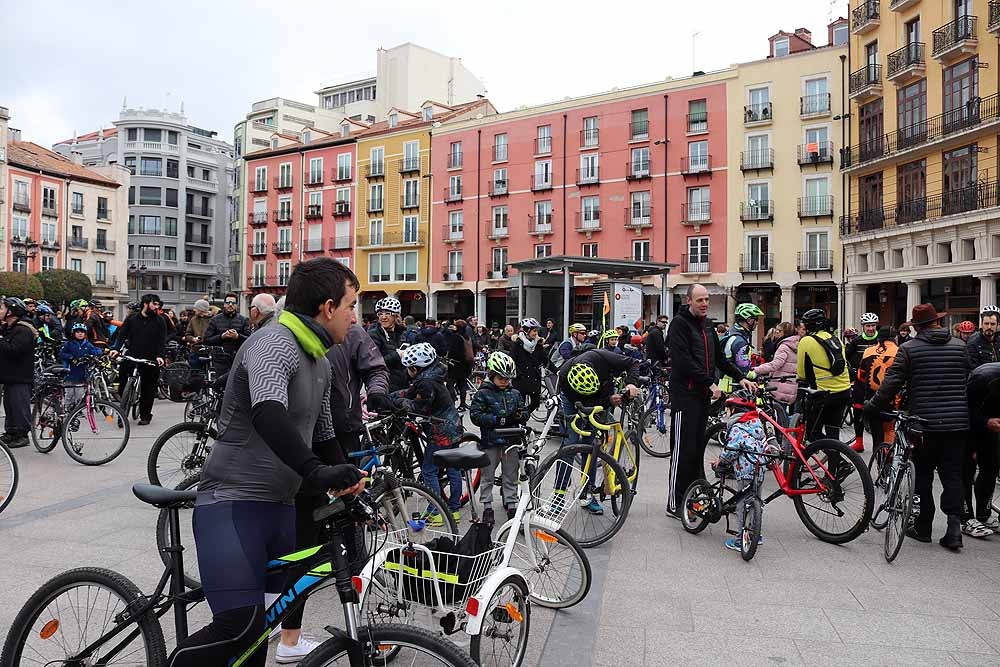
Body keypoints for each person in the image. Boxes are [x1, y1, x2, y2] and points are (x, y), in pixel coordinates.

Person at [170, 258, 366, 667]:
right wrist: (314, 470)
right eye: (351, 305)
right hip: (232, 502)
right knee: (238, 626)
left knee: (259, 637)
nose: (354, 316)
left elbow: (325, 433)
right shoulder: (272, 342)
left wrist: (346, 480)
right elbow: (268, 412)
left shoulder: (321, 360)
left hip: (278, 508)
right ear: (328, 308)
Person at [865, 303, 969, 550]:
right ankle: (955, 528)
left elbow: (891, 383)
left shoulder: (909, 349)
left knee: (923, 473)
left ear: (917, 326)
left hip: (924, 424)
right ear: (937, 322)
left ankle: (923, 526)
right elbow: (970, 379)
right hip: (957, 423)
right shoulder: (960, 346)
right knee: (953, 475)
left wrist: (871, 405)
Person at [665, 286, 751, 518]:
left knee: (695, 451)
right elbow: (683, 362)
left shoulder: (708, 325)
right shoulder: (679, 325)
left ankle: (691, 499)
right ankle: (674, 503)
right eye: (700, 300)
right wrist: (708, 383)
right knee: (682, 451)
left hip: (702, 396)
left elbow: (720, 359)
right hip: (685, 396)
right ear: (689, 300)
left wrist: (740, 377)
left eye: (707, 299)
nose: (704, 303)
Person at [558, 347, 641, 514]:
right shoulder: (565, 377)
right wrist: (605, 400)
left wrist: (631, 383)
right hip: (575, 399)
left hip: (601, 394)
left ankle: (587, 493)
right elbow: (584, 403)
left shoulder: (602, 357)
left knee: (592, 445)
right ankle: (558, 496)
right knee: (571, 444)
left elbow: (633, 363)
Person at [390, 342, 463, 526]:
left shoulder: (426, 382)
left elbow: (420, 406)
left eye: (408, 368)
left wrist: (402, 404)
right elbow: (410, 392)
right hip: (453, 425)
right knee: (453, 468)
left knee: (429, 471)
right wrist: (390, 396)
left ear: (415, 368)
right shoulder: (433, 374)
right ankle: (454, 510)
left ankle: (435, 512)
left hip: (440, 432)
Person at [470, 351, 526, 524]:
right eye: (501, 378)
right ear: (492, 375)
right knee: (487, 474)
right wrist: (496, 420)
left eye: (508, 379)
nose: (505, 382)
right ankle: (487, 505)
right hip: (491, 441)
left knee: (511, 474)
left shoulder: (514, 393)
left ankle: (511, 503)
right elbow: (475, 415)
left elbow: (524, 411)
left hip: (511, 441)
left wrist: (520, 416)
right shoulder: (483, 394)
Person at [327, 322, 390, 453]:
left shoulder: (352, 331)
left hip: (346, 426)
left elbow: (375, 368)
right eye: (349, 307)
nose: (354, 317)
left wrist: (377, 390)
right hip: (305, 429)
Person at [795, 308, 853, 445]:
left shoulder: (806, 341)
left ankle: (839, 460)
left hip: (824, 394)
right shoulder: (835, 339)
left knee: (813, 433)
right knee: (833, 433)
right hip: (844, 391)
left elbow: (802, 373)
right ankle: (836, 465)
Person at [110, 293, 166, 426]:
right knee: (122, 380)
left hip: (150, 358)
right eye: (154, 304)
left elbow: (161, 340)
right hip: (133, 354)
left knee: (149, 387)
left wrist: (160, 356)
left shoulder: (160, 321)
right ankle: (122, 413)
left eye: (158, 304)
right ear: (146, 304)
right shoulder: (132, 318)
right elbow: (122, 335)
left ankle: (145, 415)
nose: (156, 307)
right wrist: (116, 349)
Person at [968, 362, 1000, 533]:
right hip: (970, 426)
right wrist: (985, 422)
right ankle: (967, 518)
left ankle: (983, 513)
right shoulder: (984, 377)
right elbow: (963, 408)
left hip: (993, 425)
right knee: (966, 470)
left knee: (991, 466)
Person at [0, 297, 36, 449]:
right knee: (10, 405)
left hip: (20, 376)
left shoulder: (24, 329)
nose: (0, 311)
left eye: (2, 308)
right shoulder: (11, 328)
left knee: (19, 405)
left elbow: (14, 350)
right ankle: (11, 432)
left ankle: (21, 435)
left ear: (11, 312)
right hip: (10, 376)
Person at [856, 327, 899, 446]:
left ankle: (879, 460)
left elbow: (861, 376)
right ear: (894, 338)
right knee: (890, 430)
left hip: (872, 399)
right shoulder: (899, 351)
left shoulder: (868, 351)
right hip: (892, 399)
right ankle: (889, 459)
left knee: (877, 435)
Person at [845, 313, 881, 452]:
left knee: (878, 414)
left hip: (877, 382)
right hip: (860, 382)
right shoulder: (856, 341)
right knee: (858, 412)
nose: (871, 328)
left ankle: (879, 444)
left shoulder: (881, 340)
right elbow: (846, 357)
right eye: (868, 326)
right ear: (863, 327)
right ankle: (859, 442)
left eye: (873, 325)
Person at [719, 303, 763, 394]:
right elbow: (745, 371)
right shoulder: (740, 342)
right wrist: (761, 372)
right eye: (756, 319)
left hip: (724, 385)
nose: (757, 322)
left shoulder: (731, 334)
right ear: (750, 320)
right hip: (735, 388)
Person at [752, 321, 799, 407]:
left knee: (779, 412)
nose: (776, 332)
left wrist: (756, 369)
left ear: (785, 333)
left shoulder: (784, 346)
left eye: (779, 331)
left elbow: (775, 364)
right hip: (791, 383)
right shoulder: (796, 344)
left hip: (781, 384)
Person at [368, 296, 409, 392]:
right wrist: (397, 355)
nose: (383, 317)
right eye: (380, 314)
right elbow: (374, 363)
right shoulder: (374, 334)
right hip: (384, 387)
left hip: (403, 385)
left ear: (396, 316)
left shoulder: (402, 333)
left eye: (388, 313)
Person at [204, 293, 251, 373]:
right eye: (228, 302)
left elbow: (250, 340)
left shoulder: (243, 320)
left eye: (233, 303)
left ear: (236, 305)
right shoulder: (215, 320)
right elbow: (206, 340)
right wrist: (222, 336)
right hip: (219, 359)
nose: (230, 305)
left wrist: (237, 336)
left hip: (238, 358)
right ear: (224, 304)